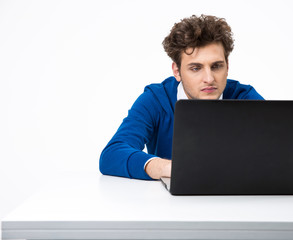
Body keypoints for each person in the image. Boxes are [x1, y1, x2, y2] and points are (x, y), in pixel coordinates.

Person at [99, 14, 264, 180]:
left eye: (216, 66)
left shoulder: (245, 97)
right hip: (173, 203)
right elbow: (112, 154)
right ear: (177, 71)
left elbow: (282, 150)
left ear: (227, 67)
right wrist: (169, 168)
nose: (209, 78)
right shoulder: (156, 99)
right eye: (195, 68)